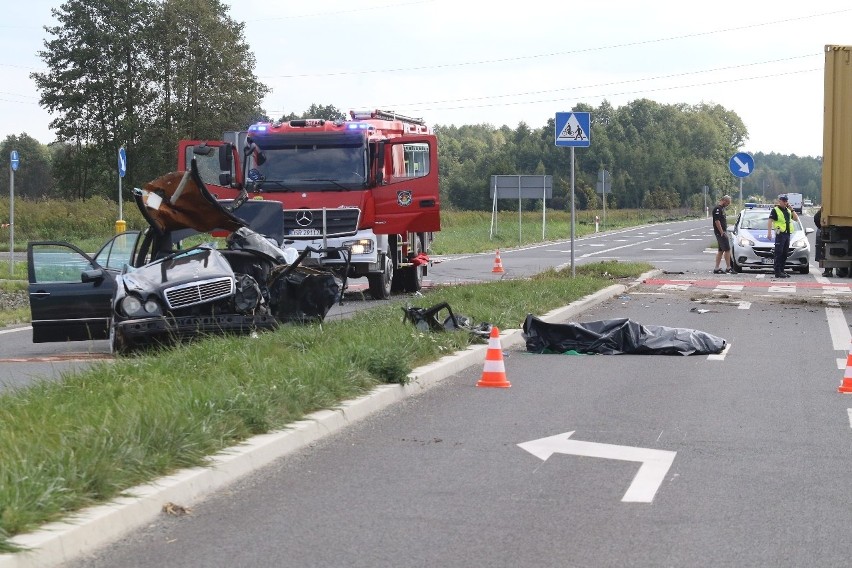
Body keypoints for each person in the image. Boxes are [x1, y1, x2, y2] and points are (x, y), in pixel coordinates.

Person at [767, 194, 799, 278]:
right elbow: (770, 221)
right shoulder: (775, 210)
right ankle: (777, 271)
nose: (785, 202)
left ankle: (782, 270)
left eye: (786, 201)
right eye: (783, 201)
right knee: (779, 253)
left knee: (785, 253)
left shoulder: (788, 211)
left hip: (787, 234)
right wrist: (769, 232)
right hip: (780, 234)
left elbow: (796, 219)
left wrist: (792, 210)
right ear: (779, 201)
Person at [712, 194, 733, 274]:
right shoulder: (718, 209)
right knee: (727, 249)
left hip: (722, 232)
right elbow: (717, 221)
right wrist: (722, 232)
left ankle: (716, 268)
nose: (727, 205)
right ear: (724, 201)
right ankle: (728, 267)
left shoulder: (722, 209)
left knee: (720, 250)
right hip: (720, 233)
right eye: (727, 203)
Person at [814, 207, 832, 277]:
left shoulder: (827, 208)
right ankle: (843, 270)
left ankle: (828, 270)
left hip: (828, 230)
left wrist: (821, 227)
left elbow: (816, 218)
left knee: (827, 251)